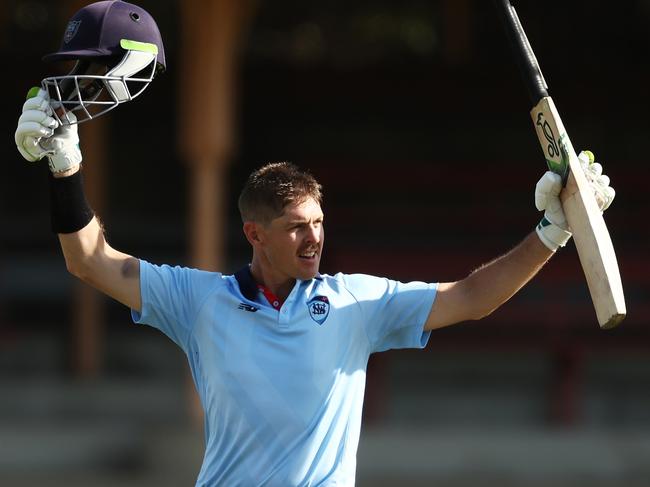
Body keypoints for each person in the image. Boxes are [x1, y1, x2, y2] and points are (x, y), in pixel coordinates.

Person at [14, 2, 616, 486]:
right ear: (255, 234)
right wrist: (65, 167)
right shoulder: (199, 300)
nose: (316, 237)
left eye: (320, 222)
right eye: (298, 226)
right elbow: (88, 260)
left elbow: (471, 297)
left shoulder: (356, 303)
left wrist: (551, 233)